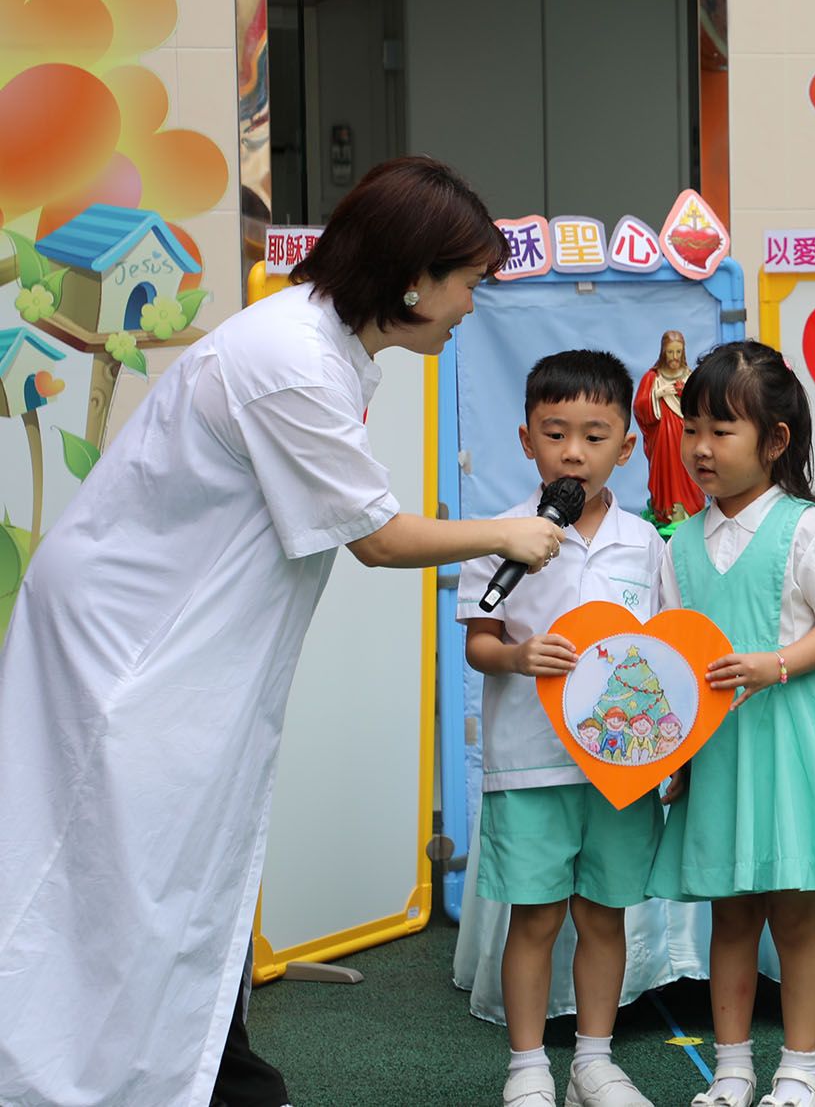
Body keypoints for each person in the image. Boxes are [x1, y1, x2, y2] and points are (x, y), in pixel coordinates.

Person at [0, 157, 566, 1107]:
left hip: (167, 635)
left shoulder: (319, 346)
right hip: (131, 645)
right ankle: (98, 1076)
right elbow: (379, 539)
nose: (474, 305)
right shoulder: (291, 360)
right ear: (414, 279)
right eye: (470, 281)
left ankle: (211, 1075)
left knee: (187, 863)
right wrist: (507, 533)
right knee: (133, 869)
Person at [648, 342, 815, 1107]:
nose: (700, 446)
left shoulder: (810, 530)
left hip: (790, 748)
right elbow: (671, 654)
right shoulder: (678, 545)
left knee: (793, 916)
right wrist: (673, 757)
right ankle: (732, 1068)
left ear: (776, 440)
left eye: (721, 429)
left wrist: (775, 664)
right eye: (691, 427)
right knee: (729, 917)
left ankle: (799, 1067)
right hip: (719, 755)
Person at [458, 350, 663, 1107]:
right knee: (536, 917)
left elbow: (664, 657)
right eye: (555, 433)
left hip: (619, 770)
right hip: (529, 763)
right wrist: (518, 655)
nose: (574, 452)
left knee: (604, 917)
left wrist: (668, 755)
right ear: (526, 440)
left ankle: (593, 1064)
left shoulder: (646, 543)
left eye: (595, 435)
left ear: (626, 447)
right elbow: (479, 643)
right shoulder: (499, 532)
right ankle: (527, 1067)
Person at [634, 329, 705, 525]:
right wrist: (657, 394)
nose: (674, 357)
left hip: (687, 433)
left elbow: (701, 404)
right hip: (663, 437)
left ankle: (691, 509)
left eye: (678, 352)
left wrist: (684, 393)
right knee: (666, 473)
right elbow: (640, 406)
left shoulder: (690, 376)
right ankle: (666, 512)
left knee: (689, 469)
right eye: (670, 352)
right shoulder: (653, 377)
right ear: (663, 352)